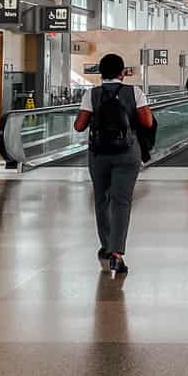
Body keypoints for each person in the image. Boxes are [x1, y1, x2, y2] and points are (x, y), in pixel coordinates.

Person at [74, 53, 153, 277]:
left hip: (99, 154)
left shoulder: (92, 94)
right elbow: (147, 122)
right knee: (122, 201)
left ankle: (107, 247)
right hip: (127, 153)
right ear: (123, 73)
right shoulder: (134, 92)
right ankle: (117, 253)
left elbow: (79, 126)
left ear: (101, 72)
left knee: (101, 200)